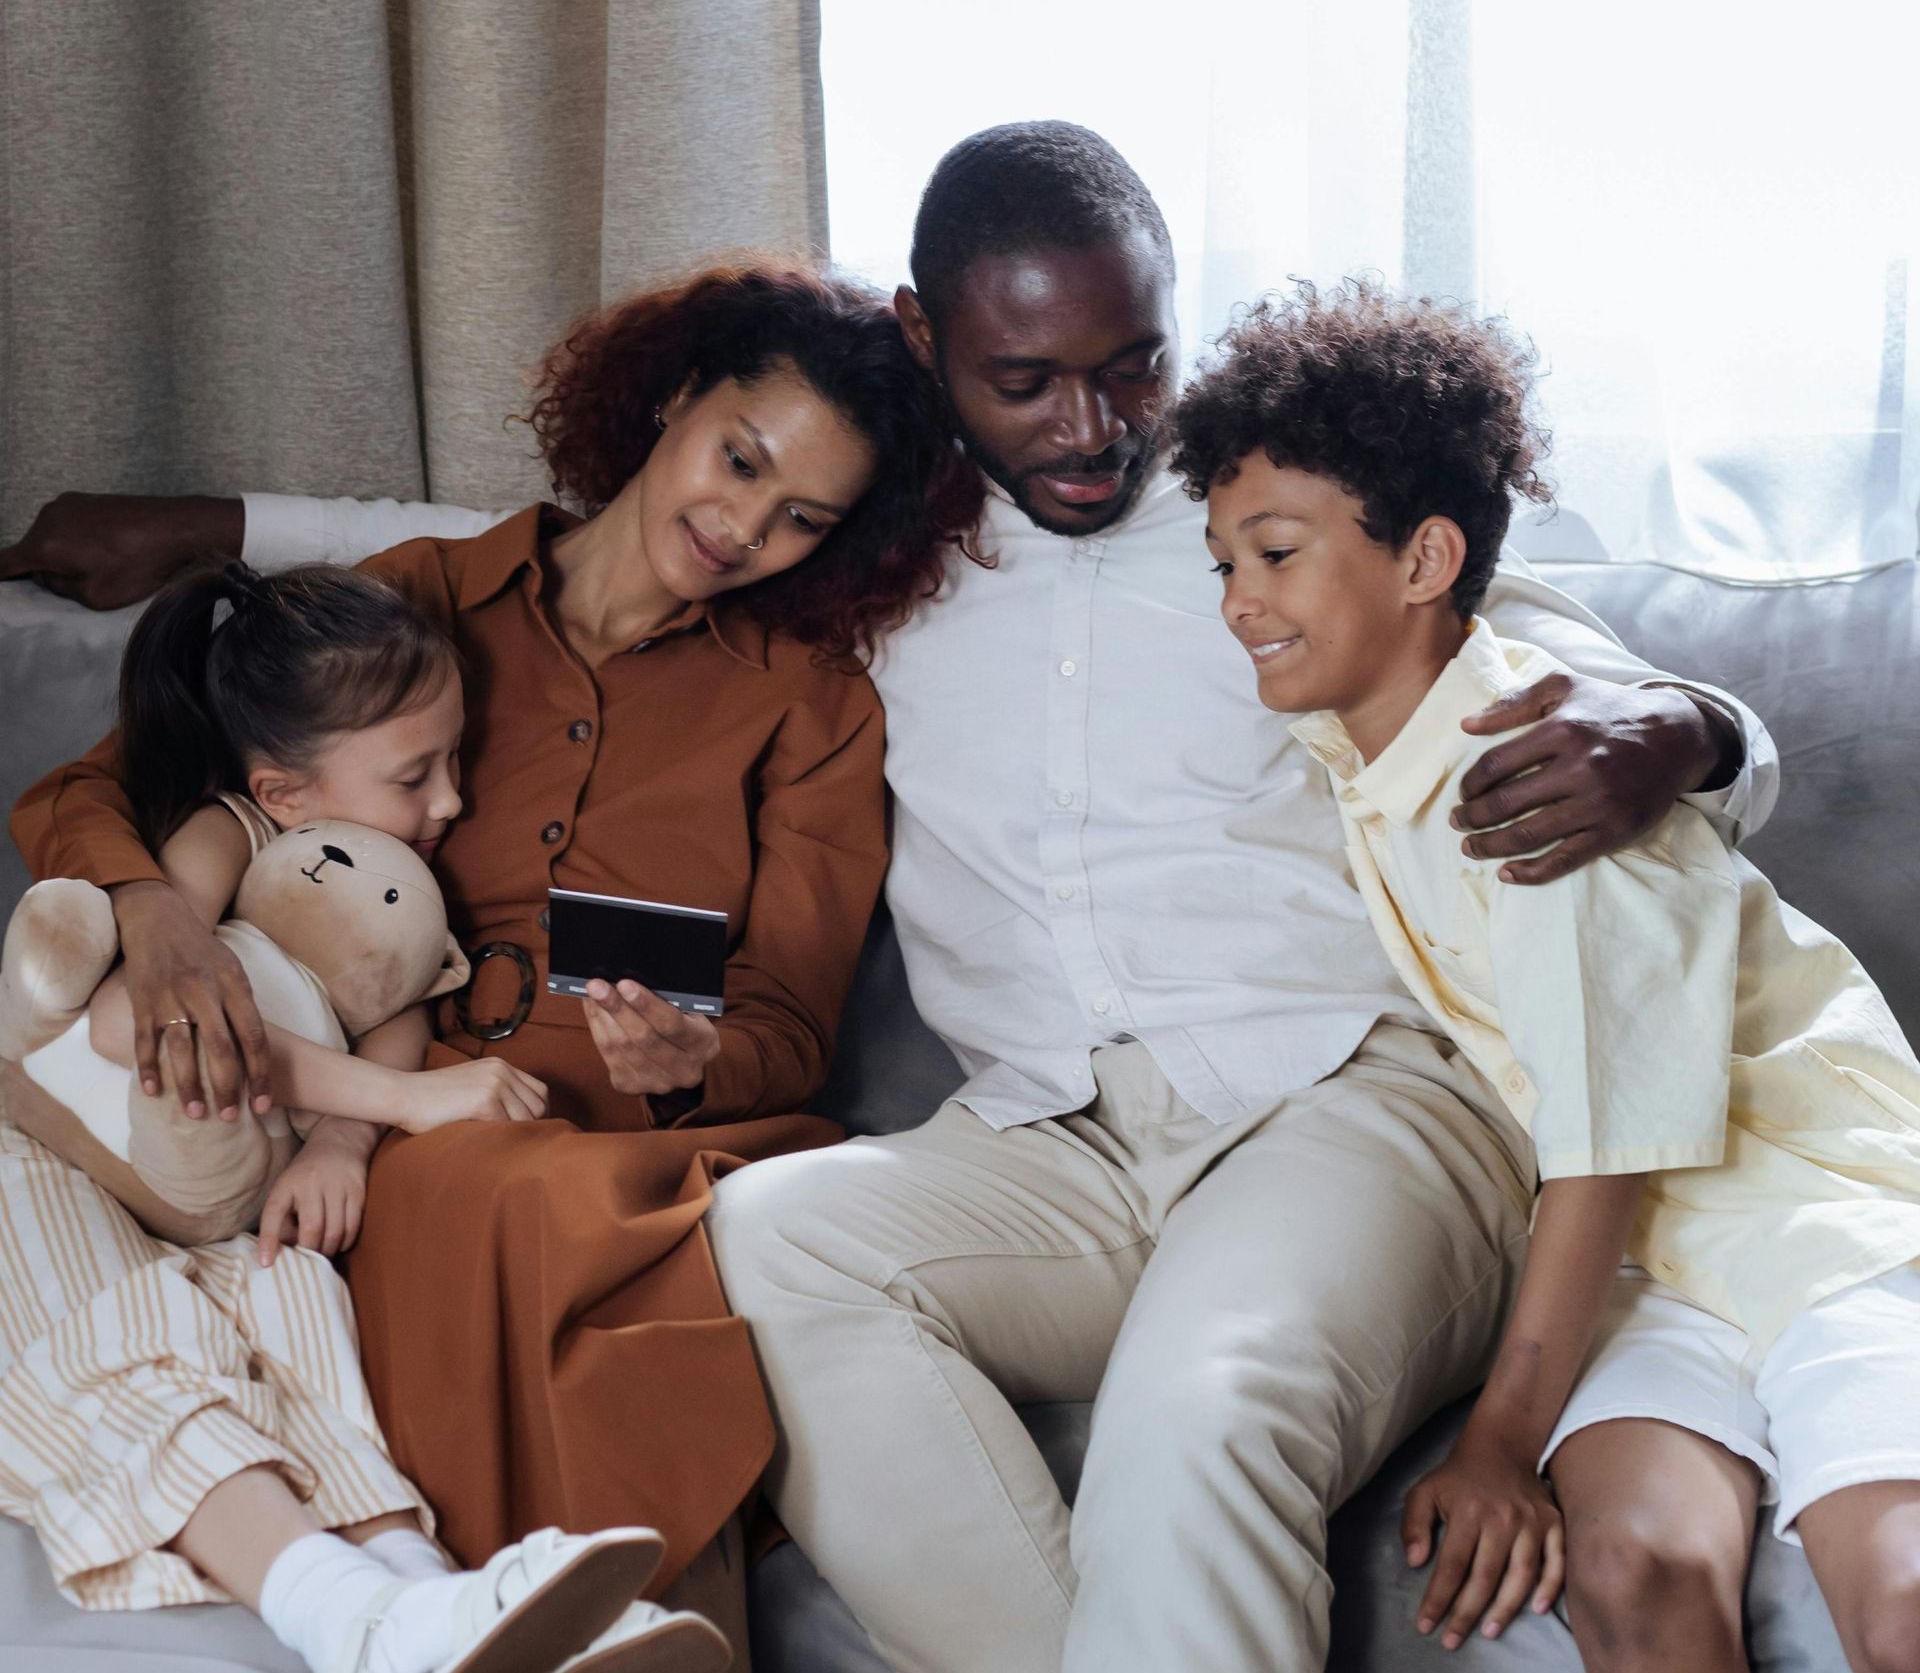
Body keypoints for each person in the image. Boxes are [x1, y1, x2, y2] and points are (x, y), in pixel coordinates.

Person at [6, 125, 1776, 1673]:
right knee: (769, 1244)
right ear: (933, 344)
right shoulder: (877, 562)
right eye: (1029, 382)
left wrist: (1689, 725)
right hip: (1053, 1139)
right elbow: (542, 539)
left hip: (1338, 1093)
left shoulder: (1263, 505)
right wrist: (225, 520)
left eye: (1133, 365)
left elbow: (1554, 653)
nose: (1096, 428)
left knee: (1198, 1394)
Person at [10, 261, 982, 1660]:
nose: (742, 526)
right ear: (674, 398)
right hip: (390, 1105)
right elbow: (94, 793)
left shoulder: (811, 709)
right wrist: (156, 917)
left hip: (633, 1131)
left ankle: (607, 1619)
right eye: (739, 459)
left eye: (799, 519)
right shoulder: (419, 599)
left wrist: (693, 1058)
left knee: (547, 1209)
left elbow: (787, 1022)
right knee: (463, 1192)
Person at [1176, 277, 1920, 1673]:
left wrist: (1504, 1439)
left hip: (1828, 1205)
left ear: (1425, 559)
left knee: (1903, 1597)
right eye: (1222, 563)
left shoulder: (1532, 773)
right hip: (1660, 1260)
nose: (1239, 604)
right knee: (1635, 1569)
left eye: (1274, 554)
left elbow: (1606, 1144)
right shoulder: (1360, 746)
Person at [0, 559, 728, 1673]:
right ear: (286, 791)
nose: (453, 801)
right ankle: (346, 1616)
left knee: (297, 1306)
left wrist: (343, 1140)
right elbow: (130, 1022)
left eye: (457, 759)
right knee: (134, 1334)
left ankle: (431, 1597)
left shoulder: (381, 880)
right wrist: (403, 1100)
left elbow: (397, 1006)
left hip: (218, 1192)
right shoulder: (223, 836)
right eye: (416, 773)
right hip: (46, 1155)